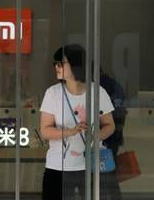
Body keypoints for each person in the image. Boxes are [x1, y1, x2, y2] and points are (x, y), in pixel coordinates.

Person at [39, 45, 117, 200]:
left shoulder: (98, 92)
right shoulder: (53, 93)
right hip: (58, 166)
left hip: (91, 165)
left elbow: (110, 125)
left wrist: (96, 136)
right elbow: (45, 131)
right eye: (55, 63)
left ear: (76, 65)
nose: (56, 67)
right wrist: (71, 131)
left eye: (61, 63)